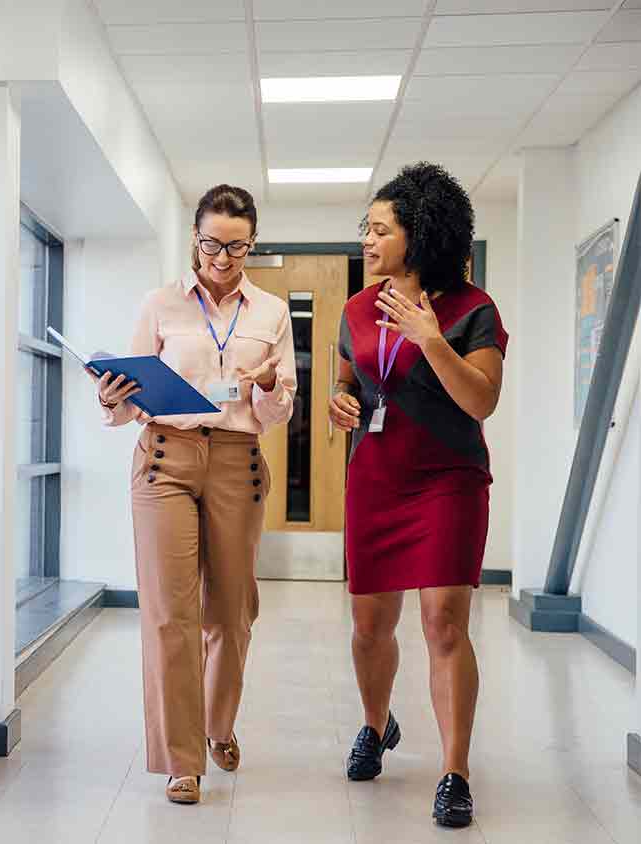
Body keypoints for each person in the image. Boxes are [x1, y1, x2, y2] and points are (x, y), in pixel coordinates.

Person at [93, 185, 296, 804]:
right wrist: (113, 397)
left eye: (237, 246)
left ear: (251, 244)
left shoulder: (271, 312)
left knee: (232, 613)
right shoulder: (160, 304)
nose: (223, 256)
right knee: (168, 614)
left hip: (238, 461)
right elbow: (129, 393)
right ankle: (182, 758)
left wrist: (266, 384)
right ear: (195, 240)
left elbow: (280, 407)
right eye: (212, 243)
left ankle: (218, 725)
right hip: (165, 459)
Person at [329, 162, 507, 829]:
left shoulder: (471, 310)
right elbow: (348, 383)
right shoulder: (356, 308)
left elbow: (481, 399)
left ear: (420, 234)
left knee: (443, 624)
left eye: (380, 230)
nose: (368, 242)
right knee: (370, 627)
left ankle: (454, 771)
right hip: (375, 478)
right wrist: (338, 403)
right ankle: (376, 726)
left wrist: (431, 338)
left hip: (447, 481)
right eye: (366, 229)